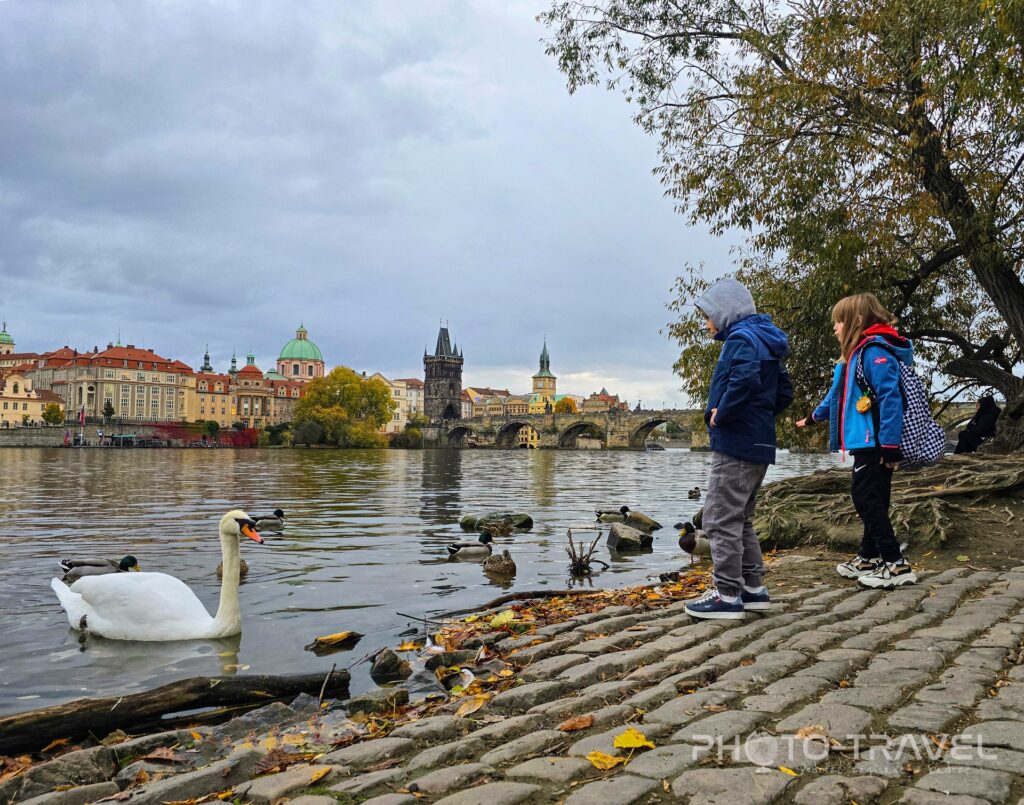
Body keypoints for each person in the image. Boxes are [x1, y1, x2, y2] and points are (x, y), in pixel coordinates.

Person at [684, 278, 793, 620]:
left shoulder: (740, 339)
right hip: (759, 440)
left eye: (708, 316)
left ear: (725, 312)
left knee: (718, 519)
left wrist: (723, 414)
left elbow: (743, 381)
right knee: (741, 518)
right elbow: (784, 393)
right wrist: (759, 417)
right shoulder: (766, 342)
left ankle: (727, 594)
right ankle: (752, 589)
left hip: (736, 440)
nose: (706, 324)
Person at [797, 292, 916, 588]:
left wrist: (889, 446)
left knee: (866, 499)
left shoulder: (875, 352)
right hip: (863, 441)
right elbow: (836, 394)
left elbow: (891, 399)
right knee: (872, 498)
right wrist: (814, 417)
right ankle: (868, 556)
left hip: (875, 442)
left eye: (839, 322)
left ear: (855, 322)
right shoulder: (852, 357)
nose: (834, 328)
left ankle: (896, 564)